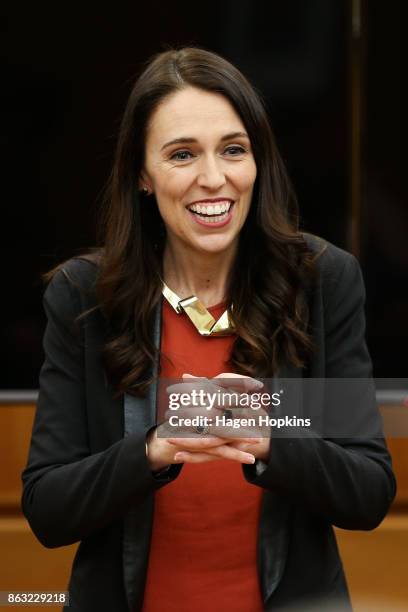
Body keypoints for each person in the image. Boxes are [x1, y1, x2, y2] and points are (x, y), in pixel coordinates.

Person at [21, 47, 396, 611]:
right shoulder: (84, 297)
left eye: (233, 150)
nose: (213, 178)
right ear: (142, 175)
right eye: (181, 155)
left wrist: (269, 436)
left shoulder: (320, 282)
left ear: (258, 162)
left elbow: (367, 491)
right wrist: (154, 447)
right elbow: (48, 508)